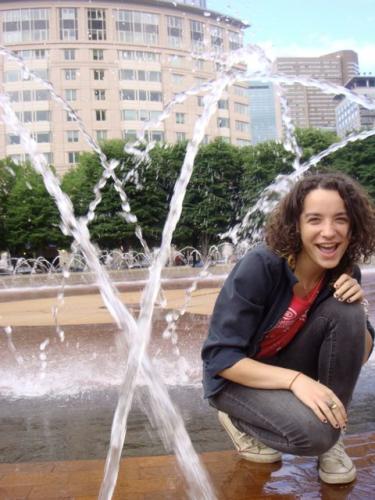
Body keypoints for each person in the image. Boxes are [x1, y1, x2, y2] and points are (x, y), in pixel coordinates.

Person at [201, 172, 375, 485]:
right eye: (314, 220)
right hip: (237, 380)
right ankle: (238, 420)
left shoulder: (345, 273)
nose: (329, 232)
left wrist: (358, 308)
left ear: (353, 226)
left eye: (341, 219)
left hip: (285, 368)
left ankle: (335, 440)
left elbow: (356, 356)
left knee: (348, 308)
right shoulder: (261, 266)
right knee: (315, 435)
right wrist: (296, 381)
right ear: (296, 225)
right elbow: (219, 357)